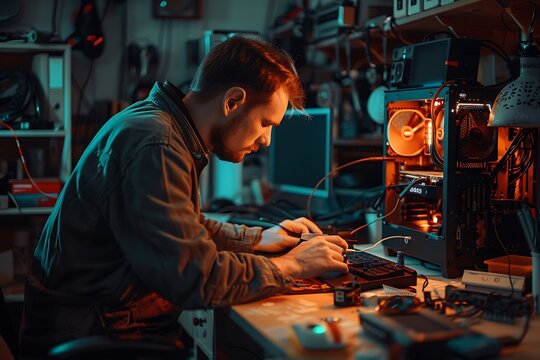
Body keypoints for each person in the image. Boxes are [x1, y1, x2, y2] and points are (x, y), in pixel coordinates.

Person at [19, 36, 349, 357]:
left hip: (95, 320)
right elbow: (197, 277)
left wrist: (260, 239)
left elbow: (181, 229)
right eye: (265, 123)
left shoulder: (157, 124)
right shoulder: (158, 144)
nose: (267, 141)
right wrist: (293, 265)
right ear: (232, 101)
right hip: (92, 332)